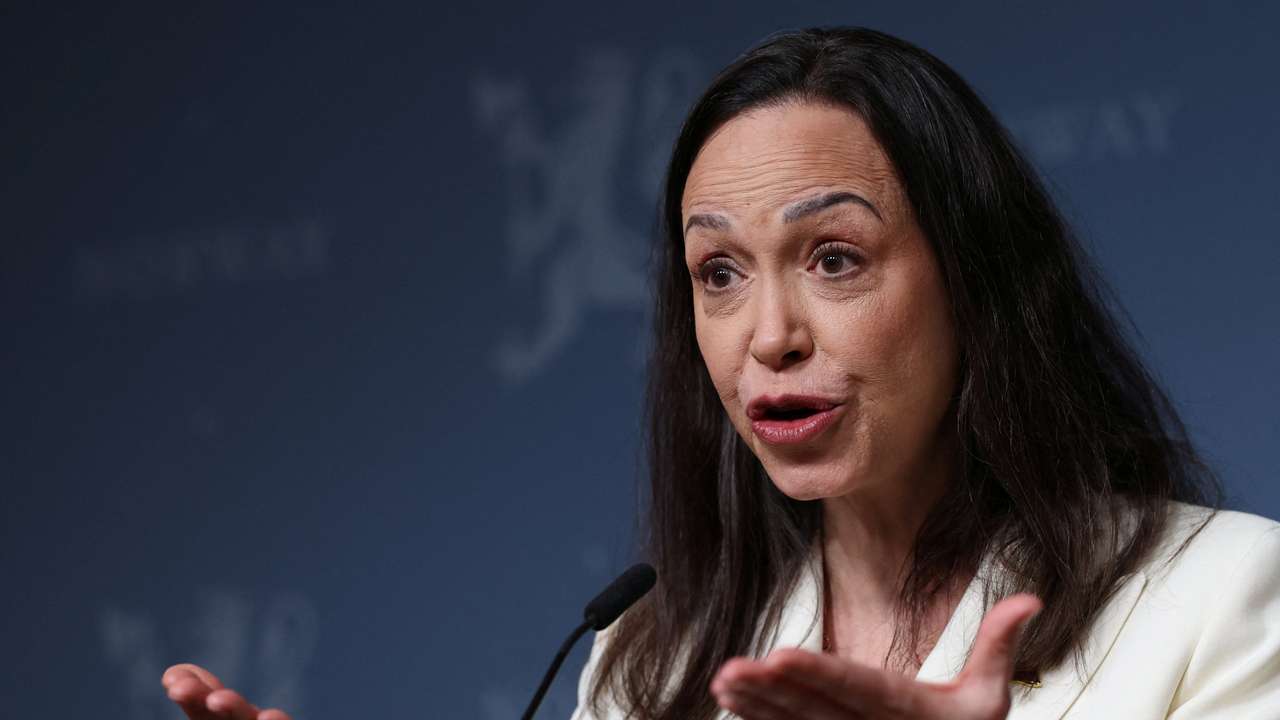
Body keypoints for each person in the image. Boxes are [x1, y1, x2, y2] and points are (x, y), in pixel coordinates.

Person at [161, 26, 1280, 720]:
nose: (768, 336)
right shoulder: (646, 661)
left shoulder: (1224, 595)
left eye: (833, 258)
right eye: (719, 273)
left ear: (974, 282)